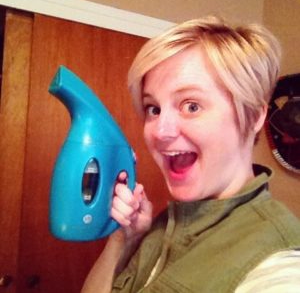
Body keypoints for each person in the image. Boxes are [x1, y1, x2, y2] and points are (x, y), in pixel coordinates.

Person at [81, 16, 300, 293]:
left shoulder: (279, 263)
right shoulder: (163, 224)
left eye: (191, 106)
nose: (160, 131)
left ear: (254, 116)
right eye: (153, 108)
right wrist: (123, 239)